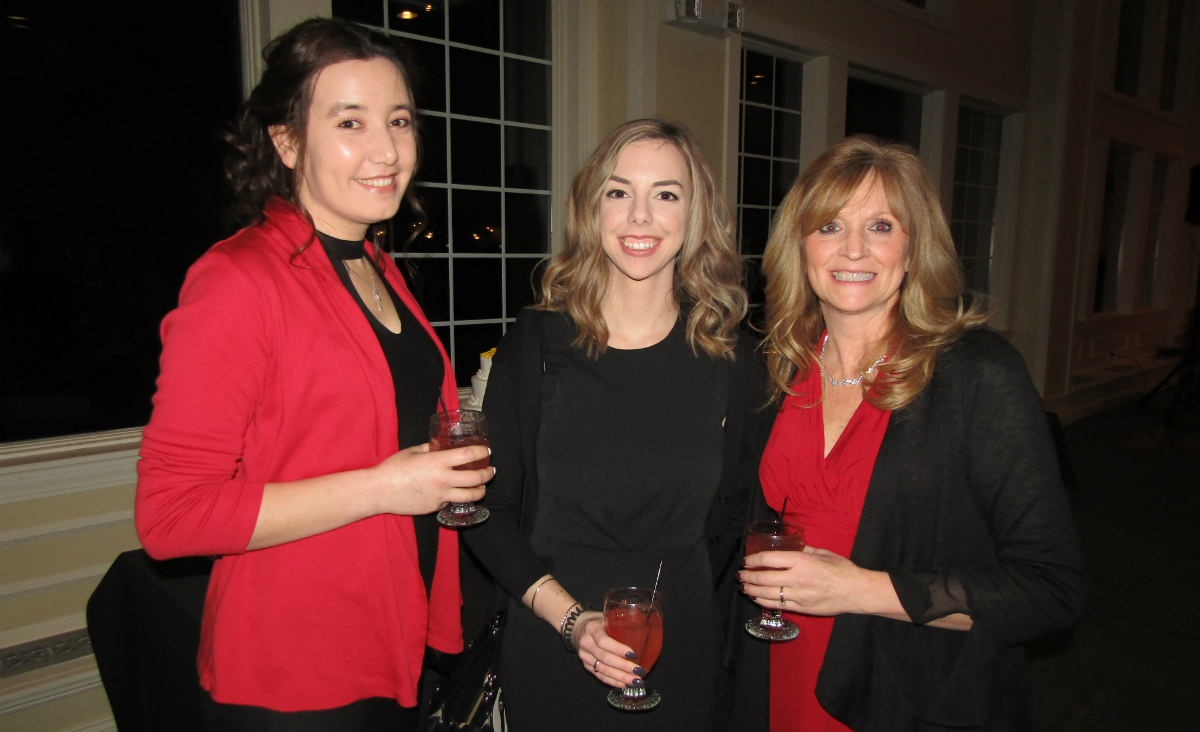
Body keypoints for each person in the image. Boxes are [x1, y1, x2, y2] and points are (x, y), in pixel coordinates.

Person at [134, 19, 493, 731]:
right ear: (287, 140)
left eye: (398, 120)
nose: (387, 150)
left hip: (388, 643)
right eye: (350, 122)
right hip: (294, 678)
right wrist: (389, 486)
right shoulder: (239, 279)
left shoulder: (375, 264)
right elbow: (169, 518)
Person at [736, 136, 1086, 731]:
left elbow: (1050, 591)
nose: (853, 249)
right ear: (799, 245)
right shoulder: (779, 367)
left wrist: (859, 589)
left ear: (915, 246)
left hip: (901, 688)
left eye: (880, 226)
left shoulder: (978, 374)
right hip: (775, 668)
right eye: (828, 227)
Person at [461, 119, 765, 730]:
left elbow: (735, 519)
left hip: (679, 646)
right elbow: (484, 512)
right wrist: (573, 621)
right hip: (551, 637)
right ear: (592, 207)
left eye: (666, 194)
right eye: (620, 192)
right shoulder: (537, 341)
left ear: (694, 215)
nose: (640, 217)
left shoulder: (734, 359)